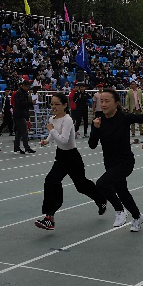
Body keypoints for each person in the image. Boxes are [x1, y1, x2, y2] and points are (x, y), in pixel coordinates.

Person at [34, 94, 107, 230]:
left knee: (81, 186)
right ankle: (49, 217)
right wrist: (47, 140)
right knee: (51, 181)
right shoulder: (52, 119)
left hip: (72, 157)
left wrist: (51, 130)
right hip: (61, 156)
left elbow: (64, 140)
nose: (53, 107)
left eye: (57, 104)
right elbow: (53, 134)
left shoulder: (67, 120)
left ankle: (101, 199)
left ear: (64, 105)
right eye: (52, 104)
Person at [88, 88, 143, 232]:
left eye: (107, 101)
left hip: (125, 162)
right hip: (109, 162)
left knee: (101, 184)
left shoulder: (124, 118)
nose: (103, 104)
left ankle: (119, 210)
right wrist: (95, 128)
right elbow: (92, 145)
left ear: (116, 103)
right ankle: (137, 216)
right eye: (101, 101)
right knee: (122, 191)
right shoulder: (99, 120)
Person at [13, 79, 35, 155]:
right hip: (19, 114)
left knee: (19, 132)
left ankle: (17, 147)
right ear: (23, 86)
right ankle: (26, 148)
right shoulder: (19, 93)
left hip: (21, 114)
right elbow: (21, 103)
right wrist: (30, 103)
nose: (28, 88)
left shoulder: (24, 93)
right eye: (27, 87)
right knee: (24, 132)